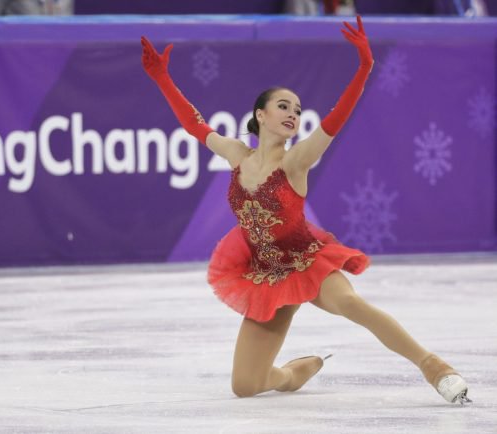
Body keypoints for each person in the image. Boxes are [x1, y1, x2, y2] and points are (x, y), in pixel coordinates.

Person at [140, 16, 471, 404]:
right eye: (283, 106)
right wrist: (162, 78)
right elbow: (195, 126)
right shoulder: (236, 155)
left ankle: (434, 367)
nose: (293, 113)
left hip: (307, 261)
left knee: (350, 304)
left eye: (297, 109)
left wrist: (364, 67)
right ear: (261, 114)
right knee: (245, 386)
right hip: (266, 275)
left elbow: (335, 120)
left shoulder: (296, 161)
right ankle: (298, 370)